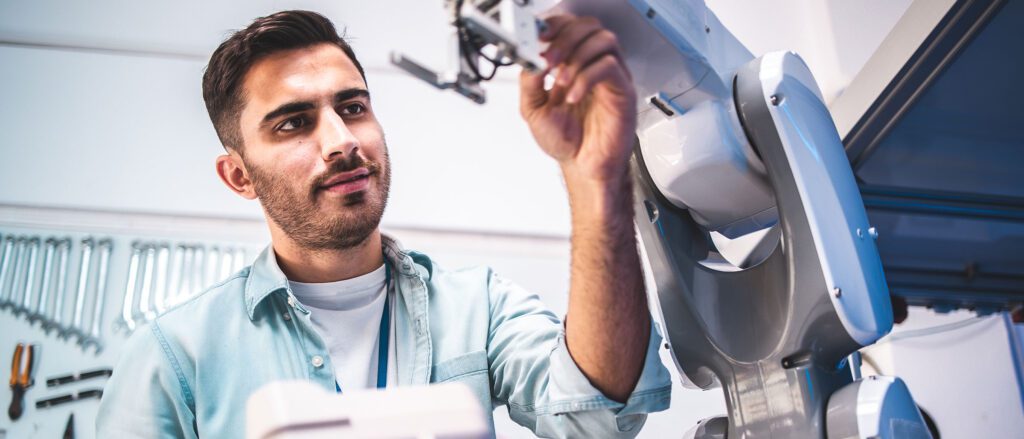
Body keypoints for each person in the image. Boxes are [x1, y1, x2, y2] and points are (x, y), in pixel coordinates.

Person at [97, 9, 671, 438]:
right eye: (294, 123)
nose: (343, 142)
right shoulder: (174, 357)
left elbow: (600, 415)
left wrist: (596, 178)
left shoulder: (479, 308)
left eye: (352, 108)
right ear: (239, 176)